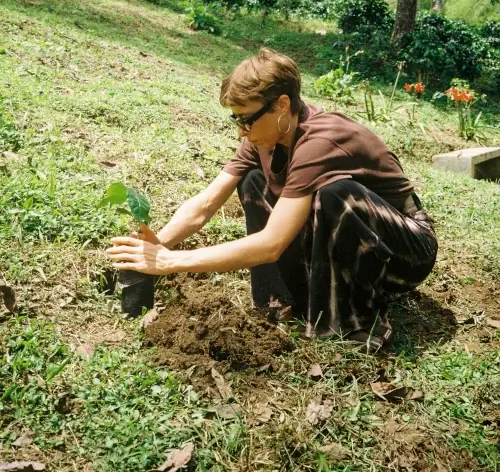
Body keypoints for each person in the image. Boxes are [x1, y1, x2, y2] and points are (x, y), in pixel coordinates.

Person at [107, 49, 437, 352]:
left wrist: (169, 263)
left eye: (246, 119)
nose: (241, 130)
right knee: (254, 181)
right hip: (352, 238)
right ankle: (282, 302)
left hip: (404, 251)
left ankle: (353, 326)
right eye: (235, 119)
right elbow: (206, 202)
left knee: (337, 196)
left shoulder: (319, 141)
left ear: (281, 105)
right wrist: (158, 245)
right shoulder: (266, 135)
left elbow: (271, 244)